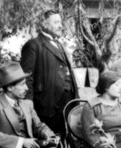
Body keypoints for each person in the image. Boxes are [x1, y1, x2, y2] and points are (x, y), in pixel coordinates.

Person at [20, 10, 78, 138]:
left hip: (66, 101)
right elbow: (26, 76)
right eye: (56, 22)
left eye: (60, 22)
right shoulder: (33, 45)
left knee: (65, 138)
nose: (60, 25)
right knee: (49, 138)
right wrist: (28, 100)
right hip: (47, 103)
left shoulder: (59, 45)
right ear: (45, 24)